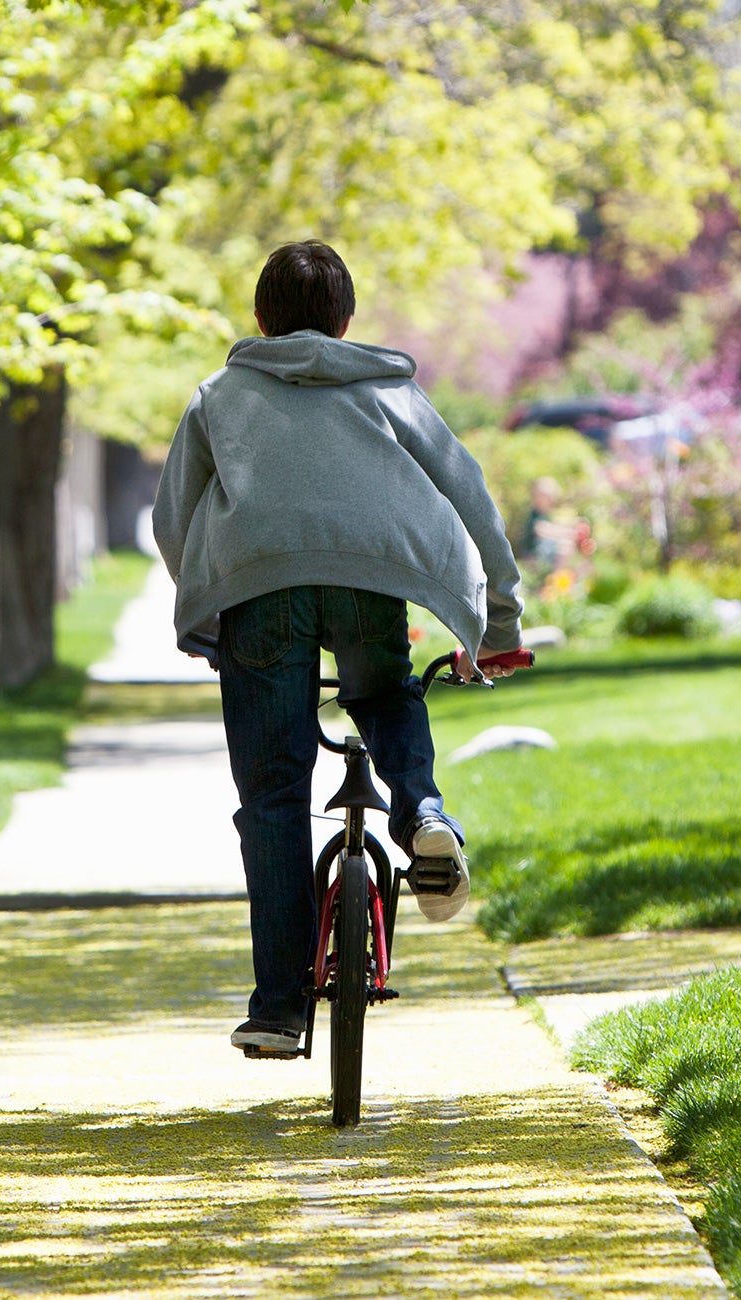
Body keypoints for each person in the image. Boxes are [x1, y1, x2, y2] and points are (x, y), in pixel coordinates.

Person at [153, 240, 524, 1057]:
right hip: (373, 577)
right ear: (348, 322)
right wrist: (499, 624)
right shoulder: (389, 389)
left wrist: (206, 599)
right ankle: (422, 811)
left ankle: (280, 1009)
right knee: (387, 691)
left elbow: (172, 518)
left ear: (260, 319)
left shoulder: (220, 394)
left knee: (275, 797)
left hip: (258, 590)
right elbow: (468, 489)